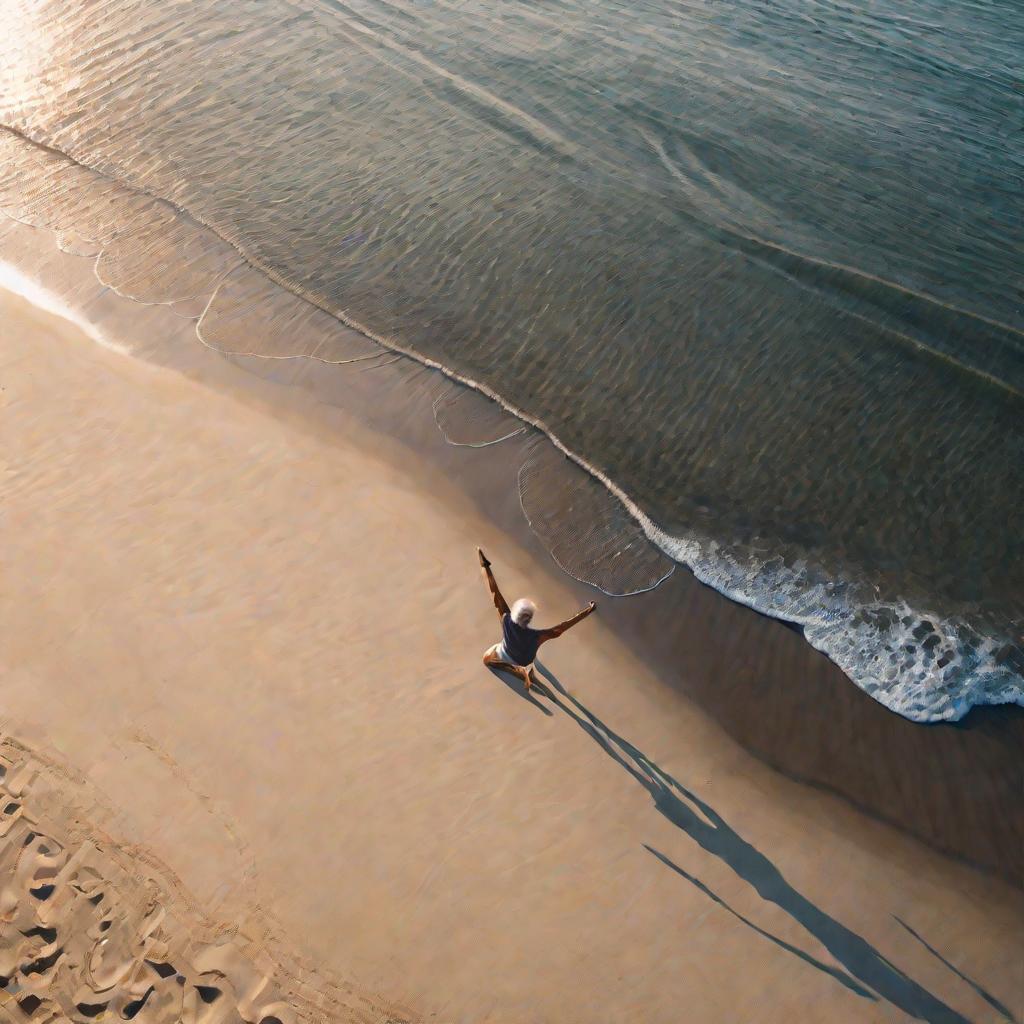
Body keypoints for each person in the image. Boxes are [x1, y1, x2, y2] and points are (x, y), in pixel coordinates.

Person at [477, 547, 596, 691]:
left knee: (487, 660)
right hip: (526, 659)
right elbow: (562, 627)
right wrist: (587, 611)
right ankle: (525, 670)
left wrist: (485, 566)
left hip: (508, 655)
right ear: (529, 619)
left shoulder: (506, 619)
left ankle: (518, 672)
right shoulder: (538, 636)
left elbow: (495, 592)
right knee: (524, 652)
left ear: (514, 612)